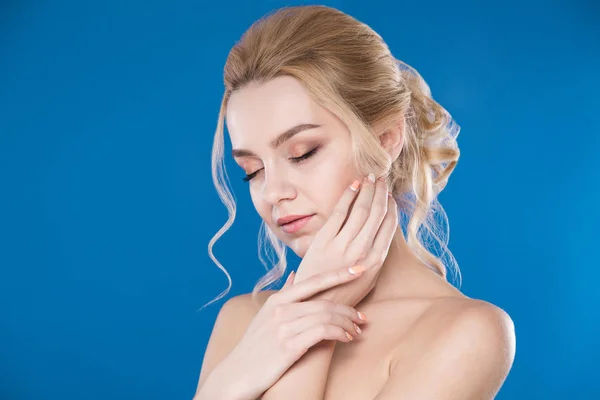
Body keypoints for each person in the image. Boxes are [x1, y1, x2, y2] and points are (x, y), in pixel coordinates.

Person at [193, 5, 516, 400]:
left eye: (303, 152)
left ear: (385, 141)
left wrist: (316, 316)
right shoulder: (245, 320)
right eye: (252, 170)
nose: (272, 192)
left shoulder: (466, 332)